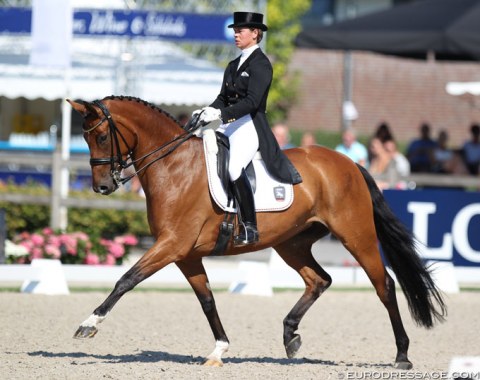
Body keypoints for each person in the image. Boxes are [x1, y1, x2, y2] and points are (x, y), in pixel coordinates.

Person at [192, 11, 302, 246]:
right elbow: (223, 98)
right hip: (229, 122)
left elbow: (252, 102)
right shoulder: (233, 64)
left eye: (240, 30)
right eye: (235, 30)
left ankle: (250, 226)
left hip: (250, 123)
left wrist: (220, 114)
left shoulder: (261, 65)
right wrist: (206, 112)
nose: (236, 34)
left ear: (255, 33)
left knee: (233, 168)